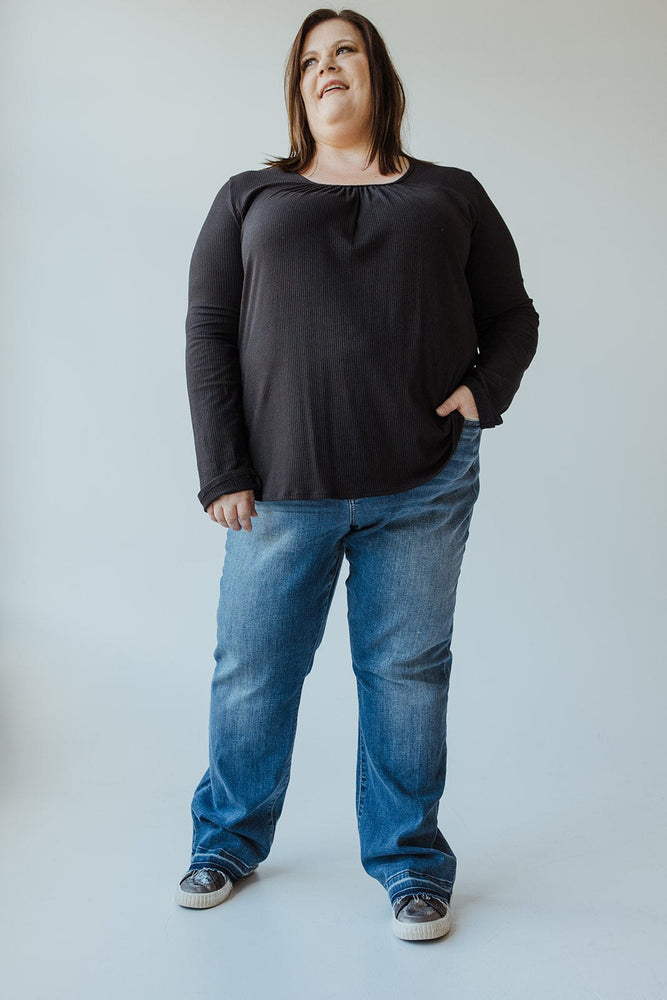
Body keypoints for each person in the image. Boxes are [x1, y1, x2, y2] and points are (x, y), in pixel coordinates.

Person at [175, 7, 539, 942]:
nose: (327, 68)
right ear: (298, 92)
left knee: (407, 675)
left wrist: (477, 395)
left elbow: (513, 313)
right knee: (253, 673)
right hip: (278, 488)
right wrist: (222, 468)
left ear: (377, 75)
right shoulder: (248, 196)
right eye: (309, 62)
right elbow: (209, 334)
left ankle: (412, 865)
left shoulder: (449, 192)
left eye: (344, 52)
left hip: (421, 485)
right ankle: (226, 841)